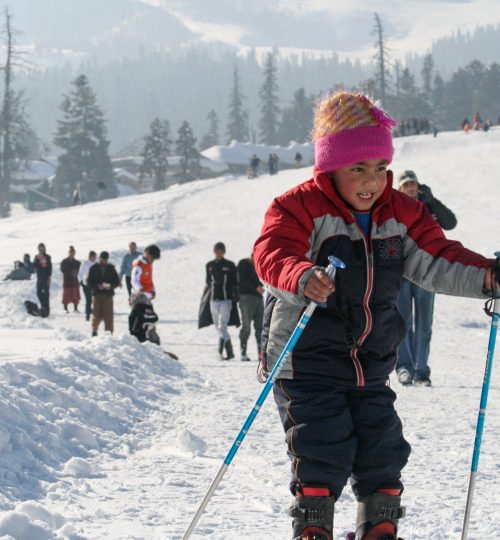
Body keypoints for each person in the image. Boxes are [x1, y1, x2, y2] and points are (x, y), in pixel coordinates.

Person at [253, 91, 498, 540]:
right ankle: (314, 530)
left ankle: (379, 528)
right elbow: (272, 254)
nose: (372, 181)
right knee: (322, 448)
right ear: (330, 167)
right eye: (358, 169)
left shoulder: (401, 213)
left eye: (381, 168)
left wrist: (488, 277)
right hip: (305, 361)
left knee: (383, 452)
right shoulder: (298, 207)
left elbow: (438, 257)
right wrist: (302, 275)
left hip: (370, 363)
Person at [396, 171, 457, 386]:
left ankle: (421, 371)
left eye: (413, 184)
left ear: (418, 186)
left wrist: (432, 201)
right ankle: (404, 367)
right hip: (402, 275)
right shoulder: (395, 207)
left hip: (427, 273)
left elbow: (450, 223)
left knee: (424, 325)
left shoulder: (429, 207)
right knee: (402, 323)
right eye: (406, 185)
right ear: (400, 189)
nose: (410, 188)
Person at [198, 242, 239, 360]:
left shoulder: (230, 265)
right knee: (219, 327)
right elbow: (208, 281)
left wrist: (234, 297)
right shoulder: (209, 265)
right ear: (214, 251)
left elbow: (235, 282)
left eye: (221, 251)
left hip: (226, 300)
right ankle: (230, 353)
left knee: (222, 326)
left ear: (224, 252)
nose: (219, 253)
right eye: (217, 251)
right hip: (213, 300)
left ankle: (220, 352)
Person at [237, 254, 264, 361]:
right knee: (246, 326)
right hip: (246, 298)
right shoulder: (243, 263)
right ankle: (243, 353)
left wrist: (261, 286)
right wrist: (256, 287)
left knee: (260, 327)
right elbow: (242, 279)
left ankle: (261, 354)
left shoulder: (258, 267)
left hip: (258, 299)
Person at [87, 251, 120, 336]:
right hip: (97, 295)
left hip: (108, 296)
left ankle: (109, 335)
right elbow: (89, 282)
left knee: (109, 316)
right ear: (99, 258)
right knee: (96, 315)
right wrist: (98, 286)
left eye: (105, 259)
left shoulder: (111, 268)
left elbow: (116, 282)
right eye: (102, 259)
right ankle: (94, 332)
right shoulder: (93, 268)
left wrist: (110, 286)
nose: (103, 261)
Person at [33, 243, 52, 317]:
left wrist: (49, 277)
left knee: (46, 294)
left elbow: (50, 267)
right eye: (40, 248)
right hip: (39, 277)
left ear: (44, 248)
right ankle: (44, 306)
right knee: (38, 292)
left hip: (46, 277)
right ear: (38, 249)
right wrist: (38, 260)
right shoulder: (36, 256)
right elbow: (34, 266)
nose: (41, 249)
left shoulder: (48, 257)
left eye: (42, 248)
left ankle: (46, 310)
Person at [60, 246, 81, 313]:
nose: (72, 254)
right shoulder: (64, 261)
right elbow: (62, 269)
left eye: (73, 253)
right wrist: (70, 272)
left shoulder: (77, 262)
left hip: (74, 281)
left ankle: (75, 309)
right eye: (71, 253)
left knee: (75, 295)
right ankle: (65, 309)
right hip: (67, 280)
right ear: (69, 253)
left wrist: (76, 272)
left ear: (74, 253)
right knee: (66, 295)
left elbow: (80, 271)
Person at [78, 250, 97, 321]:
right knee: (88, 299)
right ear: (90, 256)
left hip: (93, 284)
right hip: (85, 284)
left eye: (95, 257)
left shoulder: (95, 264)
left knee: (94, 299)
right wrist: (80, 281)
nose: (94, 258)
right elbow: (80, 273)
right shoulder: (85, 263)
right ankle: (87, 315)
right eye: (93, 257)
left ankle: (94, 312)